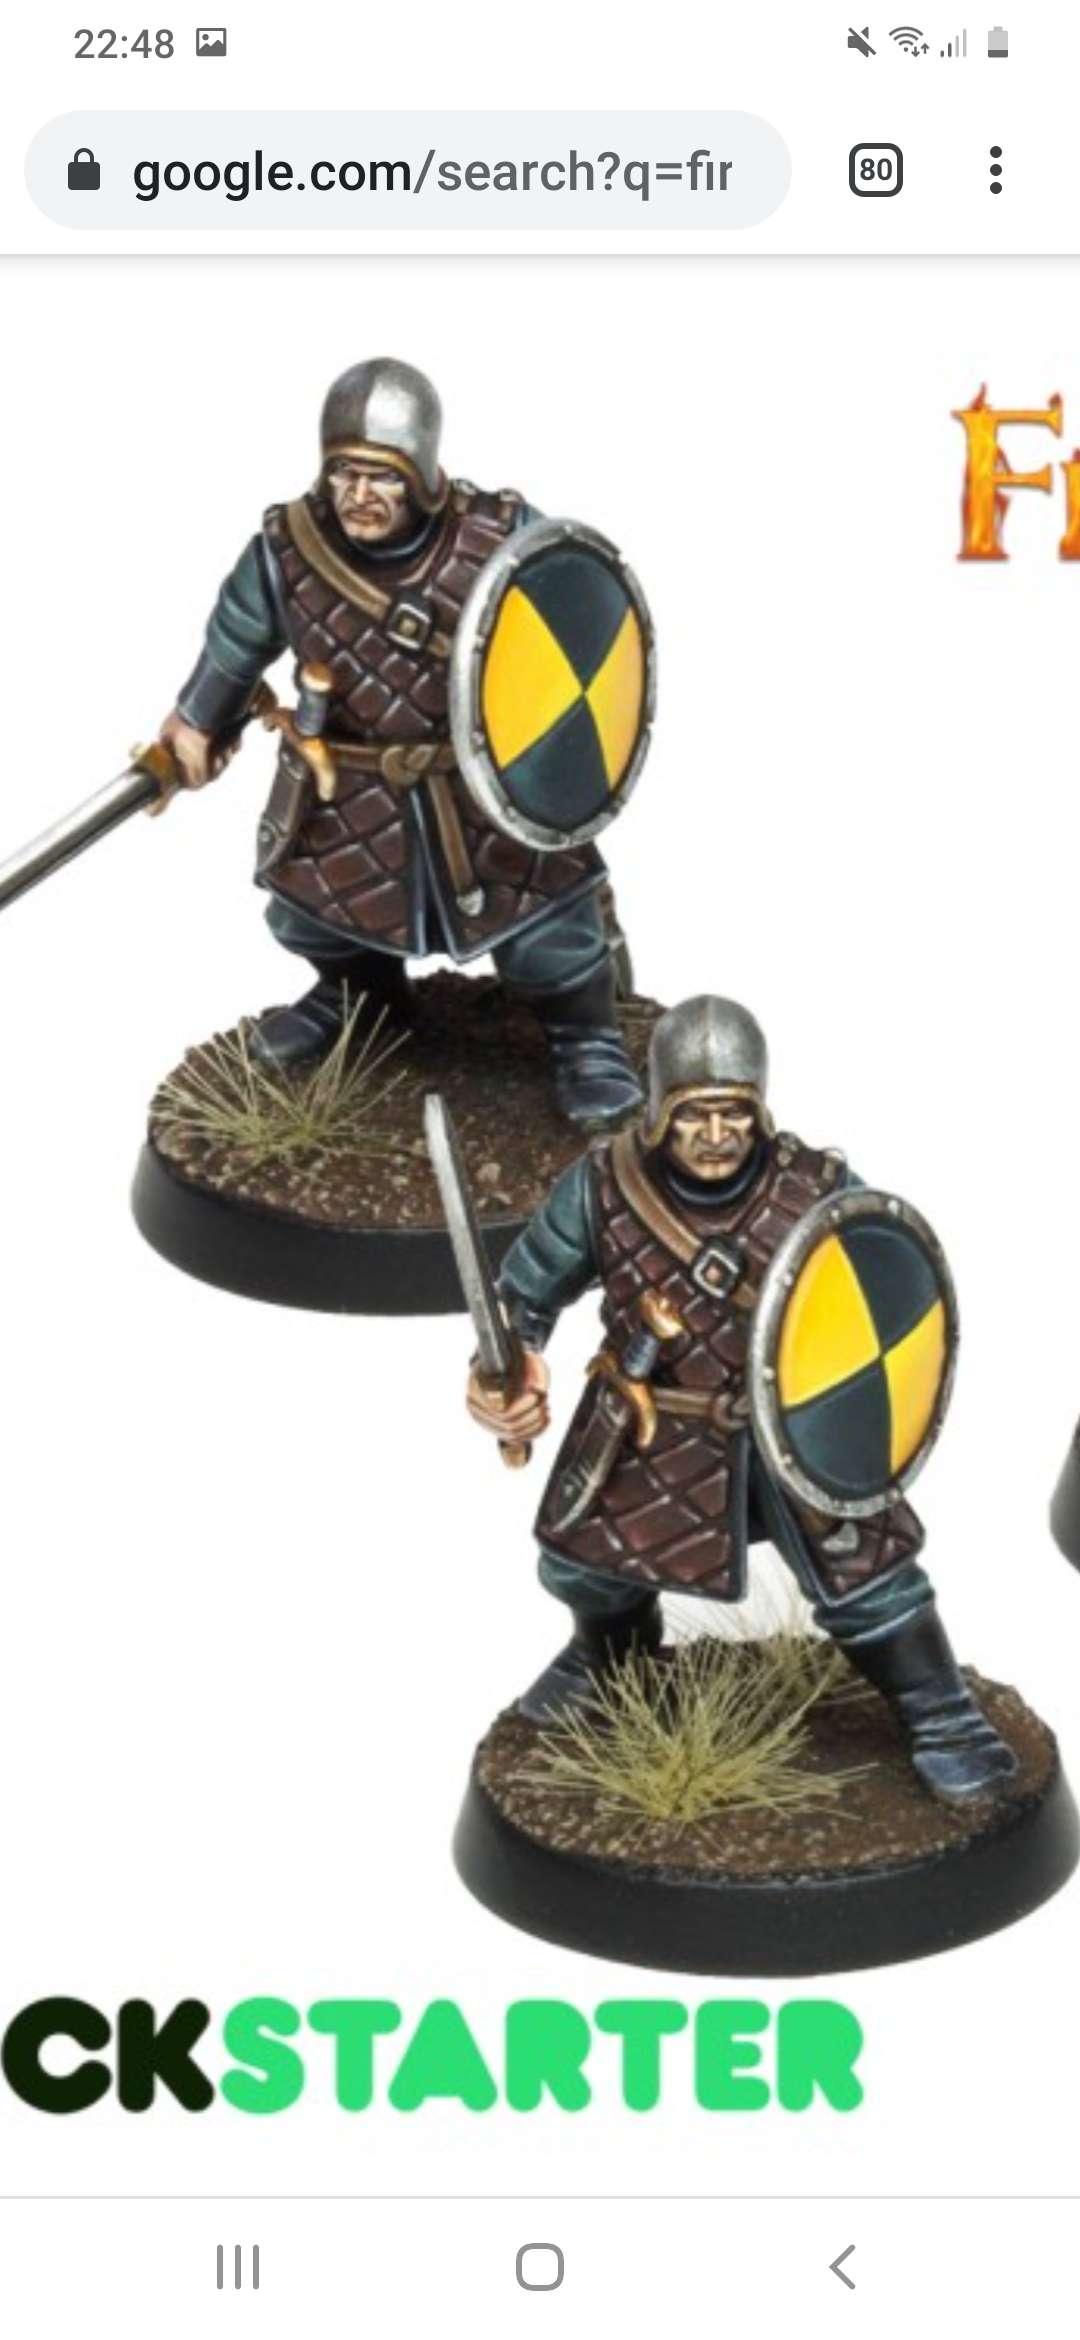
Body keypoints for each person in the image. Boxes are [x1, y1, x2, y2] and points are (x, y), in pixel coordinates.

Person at [467, 993, 1017, 1806]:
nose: (717, 1134)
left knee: (870, 1576)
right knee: (585, 1564)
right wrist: (509, 1367)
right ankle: (610, 1657)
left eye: (734, 1113)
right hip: (654, 1422)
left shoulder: (815, 1188)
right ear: (660, 1109)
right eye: (695, 1114)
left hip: (792, 1429)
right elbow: (525, 1294)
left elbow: (881, 1292)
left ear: (760, 1108)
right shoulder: (603, 1188)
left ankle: (940, 1712)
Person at [156, 356, 643, 1130]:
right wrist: (196, 721)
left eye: (381, 475)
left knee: (546, 930)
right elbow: (237, 639)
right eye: (344, 472)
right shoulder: (288, 551)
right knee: (308, 914)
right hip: (349, 788)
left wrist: (557, 768)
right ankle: (363, 1000)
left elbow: (574, 617)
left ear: (420, 471)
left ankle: (587, 1041)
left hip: (480, 788)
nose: (359, 494)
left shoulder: (499, 535)